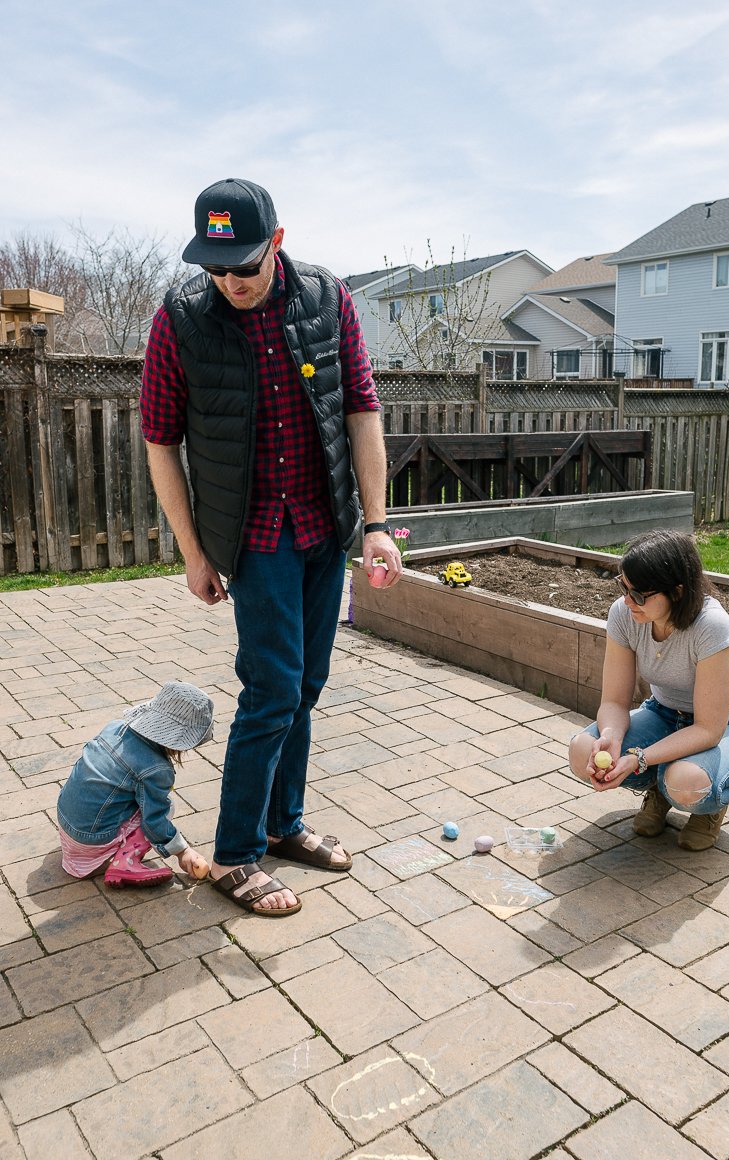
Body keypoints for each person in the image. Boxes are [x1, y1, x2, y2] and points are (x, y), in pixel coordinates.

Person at [140, 177, 401, 916]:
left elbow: (362, 408)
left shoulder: (327, 297)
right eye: (215, 268)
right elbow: (161, 443)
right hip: (253, 539)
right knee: (272, 691)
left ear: (276, 244)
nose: (230, 282)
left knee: (306, 687)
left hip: (324, 526)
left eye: (244, 267)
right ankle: (233, 854)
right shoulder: (180, 320)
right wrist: (193, 553)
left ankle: (283, 826)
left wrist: (377, 524)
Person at [569, 529, 729, 851]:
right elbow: (614, 701)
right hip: (664, 713)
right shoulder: (624, 614)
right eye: (623, 586)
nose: (627, 600)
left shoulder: (710, 626)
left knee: (686, 783)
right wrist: (611, 736)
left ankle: (705, 805)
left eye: (639, 595)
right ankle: (661, 790)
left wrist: (639, 757)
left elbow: (708, 730)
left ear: (676, 592)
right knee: (582, 750)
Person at [58, 681, 214, 887]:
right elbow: (155, 820)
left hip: (67, 823)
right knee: (165, 808)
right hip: (91, 838)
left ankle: (96, 853)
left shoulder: (114, 728)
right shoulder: (157, 769)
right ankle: (125, 862)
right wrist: (182, 850)